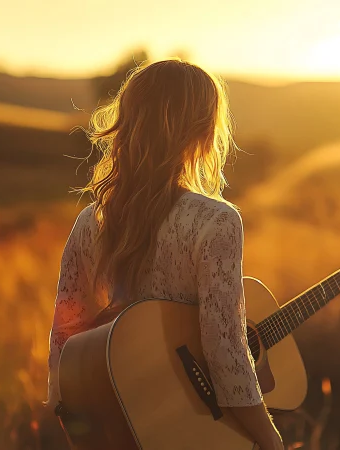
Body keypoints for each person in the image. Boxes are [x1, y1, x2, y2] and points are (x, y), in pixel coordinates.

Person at [44, 59, 283, 450]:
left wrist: (84, 430)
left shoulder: (90, 221)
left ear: (128, 125)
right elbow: (226, 350)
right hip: (198, 429)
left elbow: (64, 340)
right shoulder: (217, 220)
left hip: (119, 425)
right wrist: (269, 439)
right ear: (206, 132)